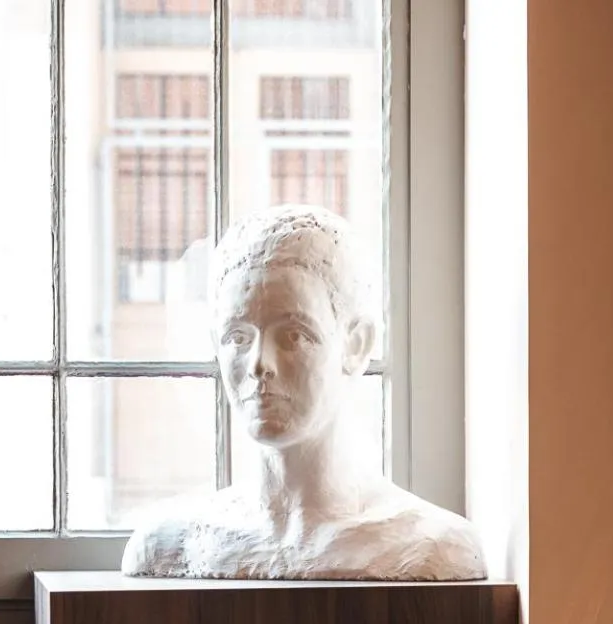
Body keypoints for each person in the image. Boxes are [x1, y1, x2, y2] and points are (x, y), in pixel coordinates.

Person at [121, 204, 486, 581]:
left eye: (293, 336)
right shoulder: (172, 542)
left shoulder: (430, 544)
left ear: (356, 345)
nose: (259, 364)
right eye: (238, 338)